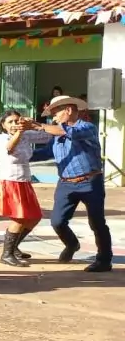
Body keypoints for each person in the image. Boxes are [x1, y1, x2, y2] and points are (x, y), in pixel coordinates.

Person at [24, 95, 112, 272]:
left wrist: (38, 125)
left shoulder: (87, 127)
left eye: (55, 113)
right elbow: (48, 151)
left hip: (90, 182)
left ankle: (104, 260)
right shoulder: (56, 134)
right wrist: (21, 156)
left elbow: (69, 132)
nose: (53, 118)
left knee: (97, 222)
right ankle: (72, 244)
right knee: (57, 221)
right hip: (66, 183)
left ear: (69, 110)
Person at [0, 110, 52, 267]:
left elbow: (47, 135)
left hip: (24, 180)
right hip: (10, 181)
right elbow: (9, 149)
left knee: (34, 216)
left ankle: (14, 246)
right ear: (3, 125)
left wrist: (34, 124)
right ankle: (7, 254)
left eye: (17, 121)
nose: (14, 124)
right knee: (20, 218)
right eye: (10, 122)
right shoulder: (1, 138)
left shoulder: (26, 134)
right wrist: (19, 133)